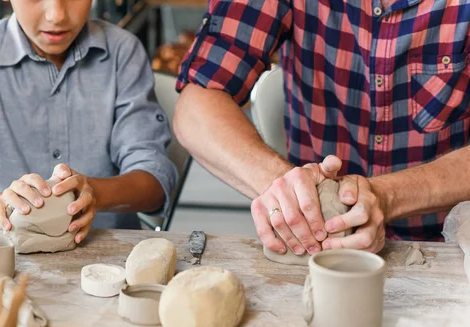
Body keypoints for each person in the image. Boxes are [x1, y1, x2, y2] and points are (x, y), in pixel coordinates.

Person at [174, 0, 470, 256]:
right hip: (317, 242)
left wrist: (387, 196)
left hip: (451, 242)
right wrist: (288, 188)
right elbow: (195, 107)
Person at [0, 0, 178, 243]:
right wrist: (2, 206)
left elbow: (155, 184)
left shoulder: (123, 51)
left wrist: (94, 193)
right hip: (10, 247)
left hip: (109, 248)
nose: (57, 15)